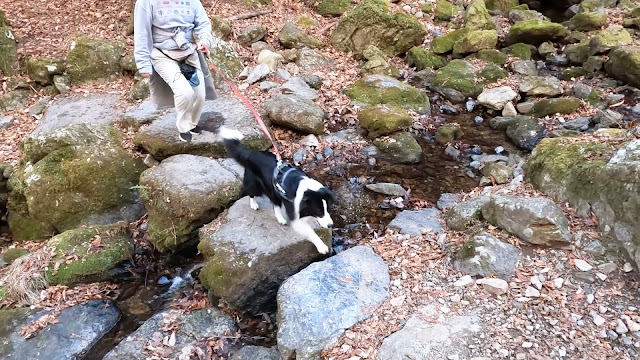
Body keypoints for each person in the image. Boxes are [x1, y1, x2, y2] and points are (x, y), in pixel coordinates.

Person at [134, 0, 218, 142]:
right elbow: (142, 33)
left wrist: (205, 41)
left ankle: (192, 123)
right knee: (184, 92)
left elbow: (203, 24)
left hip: (188, 51)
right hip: (162, 53)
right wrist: (143, 64)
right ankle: (184, 127)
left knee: (199, 94)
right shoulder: (146, 2)